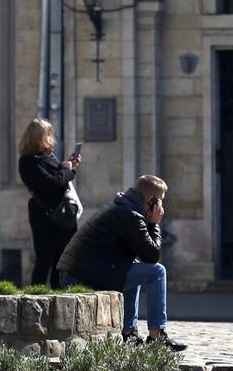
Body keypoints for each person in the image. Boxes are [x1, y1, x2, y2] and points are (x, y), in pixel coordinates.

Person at [57, 175, 187, 350]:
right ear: (151, 200)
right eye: (161, 200)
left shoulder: (124, 208)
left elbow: (144, 255)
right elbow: (152, 255)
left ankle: (129, 333)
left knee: (135, 267)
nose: (162, 206)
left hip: (82, 272)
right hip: (81, 278)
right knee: (157, 272)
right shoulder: (130, 215)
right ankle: (156, 336)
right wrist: (154, 224)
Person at [17, 118, 81, 289]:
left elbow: (57, 175)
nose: (51, 139)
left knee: (61, 261)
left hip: (62, 215)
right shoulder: (28, 162)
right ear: (38, 138)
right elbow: (52, 183)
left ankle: (58, 294)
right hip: (45, 217)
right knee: (44, 261)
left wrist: (68, 165)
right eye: (48, 135)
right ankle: (35, 296)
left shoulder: (46, 156)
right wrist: (69, 171)